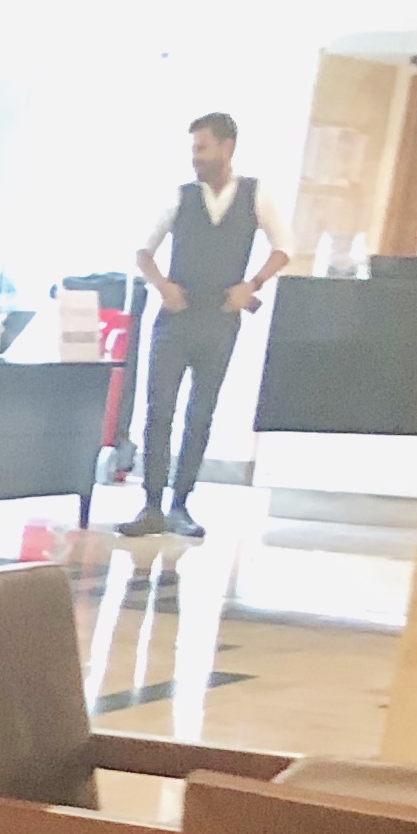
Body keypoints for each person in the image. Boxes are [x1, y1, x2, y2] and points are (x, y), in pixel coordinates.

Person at [123, 109, 288, 540]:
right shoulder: (181, 196)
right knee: (159, 410)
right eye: (193, 149)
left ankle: (181, 504)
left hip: (221, 318)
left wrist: (252, 284)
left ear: (226, 147)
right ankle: (151, 504)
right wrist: (163, 286)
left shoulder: (254, 195)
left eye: (202, 148)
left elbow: (283, 248)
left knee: (201, 413)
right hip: (175, 319)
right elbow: (143, 251)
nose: (195, 157)